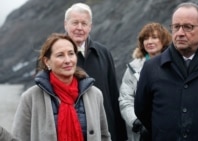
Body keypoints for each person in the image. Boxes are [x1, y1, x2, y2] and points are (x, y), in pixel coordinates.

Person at [134, 2, 198, 141]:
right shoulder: (151, 68)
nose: (180, 33)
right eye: (176, 27)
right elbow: (142, 111)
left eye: (188, 27)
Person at [12, 33, 111, 141]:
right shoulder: (31, 97)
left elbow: (104, 135)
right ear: (47, 61)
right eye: (60, 55)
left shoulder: (94, 94)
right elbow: (18, 137)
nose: (68, 60)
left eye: (71, 53)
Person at [64, 3, 127, 141]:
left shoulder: (103, 52)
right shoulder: (53, 54)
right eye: (75, 23)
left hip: (104, 131)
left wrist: (121, 135)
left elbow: (113, 94)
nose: (79, 28)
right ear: (65, 24)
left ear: (90, 27)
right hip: (69, 131)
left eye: (84, 23)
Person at [119, 22, 171, 141]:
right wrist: (135, 121)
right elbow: (125, 99)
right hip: (144, 132)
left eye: (154, 37)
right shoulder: (133, 69)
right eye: (146, 38)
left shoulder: (174, 64)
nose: (149, 42)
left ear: (164, 40)